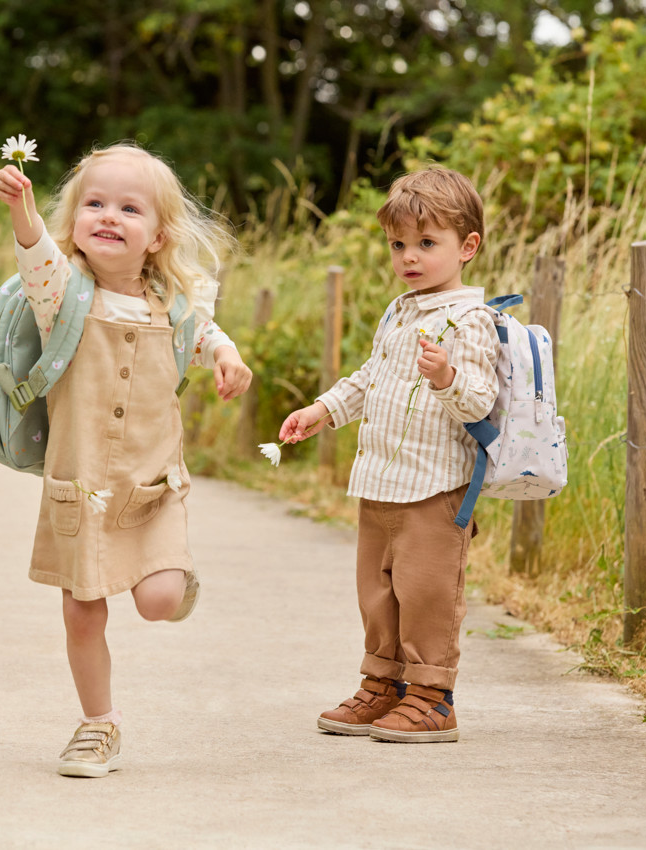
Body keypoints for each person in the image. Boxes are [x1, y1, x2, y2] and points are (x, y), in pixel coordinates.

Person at [0, 142, 251, 776]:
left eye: (129, 208)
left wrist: (226, 356)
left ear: (158, 236)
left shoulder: (177, 305)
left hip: (152, 487)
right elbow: (35, 258)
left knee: (158, 600)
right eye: (95, 203)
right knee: (83, 611)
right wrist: (24, 212)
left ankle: (174, 579)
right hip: (78, 489)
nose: (108, 215)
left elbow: (205, 332)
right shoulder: (63, 295)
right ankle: (97, 726)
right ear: (75, 219)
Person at [278, 167, 499, 743]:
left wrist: (448, 376)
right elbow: (370, 377)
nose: (410, 256)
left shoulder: (473, 320)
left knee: (426, 593)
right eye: (399, 244)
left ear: (466, 247)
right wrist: (323, 411)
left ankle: (433, 696)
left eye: (427, 244)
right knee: (378, 591)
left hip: (435, 488)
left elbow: (480, 400)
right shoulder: (399, 311)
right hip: (380, 481)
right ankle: (384, 684)